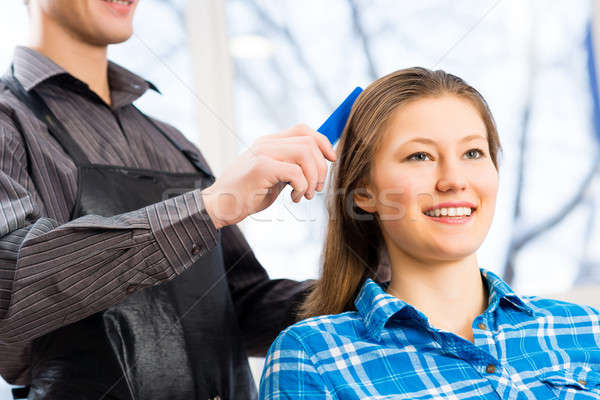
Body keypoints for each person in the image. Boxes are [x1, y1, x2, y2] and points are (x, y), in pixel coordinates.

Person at [0, 0, 337, 399]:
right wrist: (211, 207)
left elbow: (238, 306)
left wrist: (372, 287)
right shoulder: (9, 122)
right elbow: (12, 282)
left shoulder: (173, 142)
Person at [259, 67, 600, 399]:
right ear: (363, 193)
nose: (453, 179)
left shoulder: (586, 329)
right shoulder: (313, 358)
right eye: (419, 156)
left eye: (473, 153)